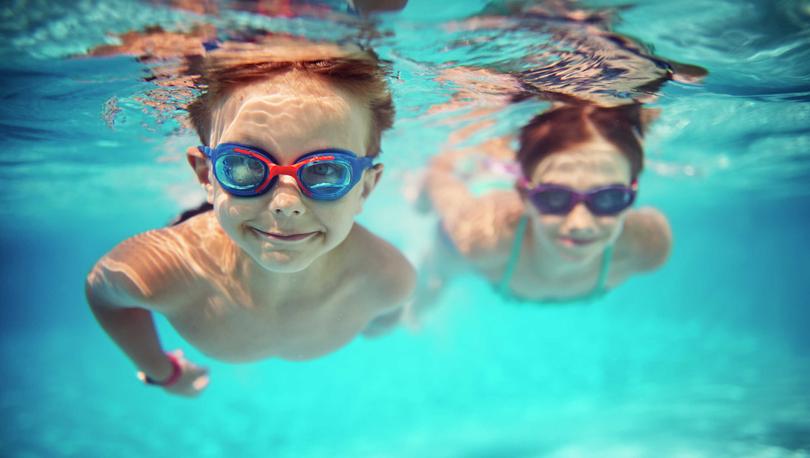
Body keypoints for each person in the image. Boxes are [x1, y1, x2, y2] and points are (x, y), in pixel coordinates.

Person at [85, 37, 415, 397]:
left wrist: (378, 321)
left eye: (325, 172)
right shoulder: (161, 270)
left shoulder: (387, 279)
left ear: (365, 189)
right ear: (205, 176)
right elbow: (103, 295)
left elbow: (388, 315)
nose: (285, 204)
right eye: (243, 165)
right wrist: (161, 371)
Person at [414, 103, 671, 312]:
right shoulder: (481, 236)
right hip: (464, 234)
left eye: (608, 198)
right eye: (554, 198)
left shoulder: (648, 246)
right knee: (437, 279)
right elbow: (439, 177)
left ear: (632, 195)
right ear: (524, 196)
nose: (580, 224)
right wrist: (422, 204)